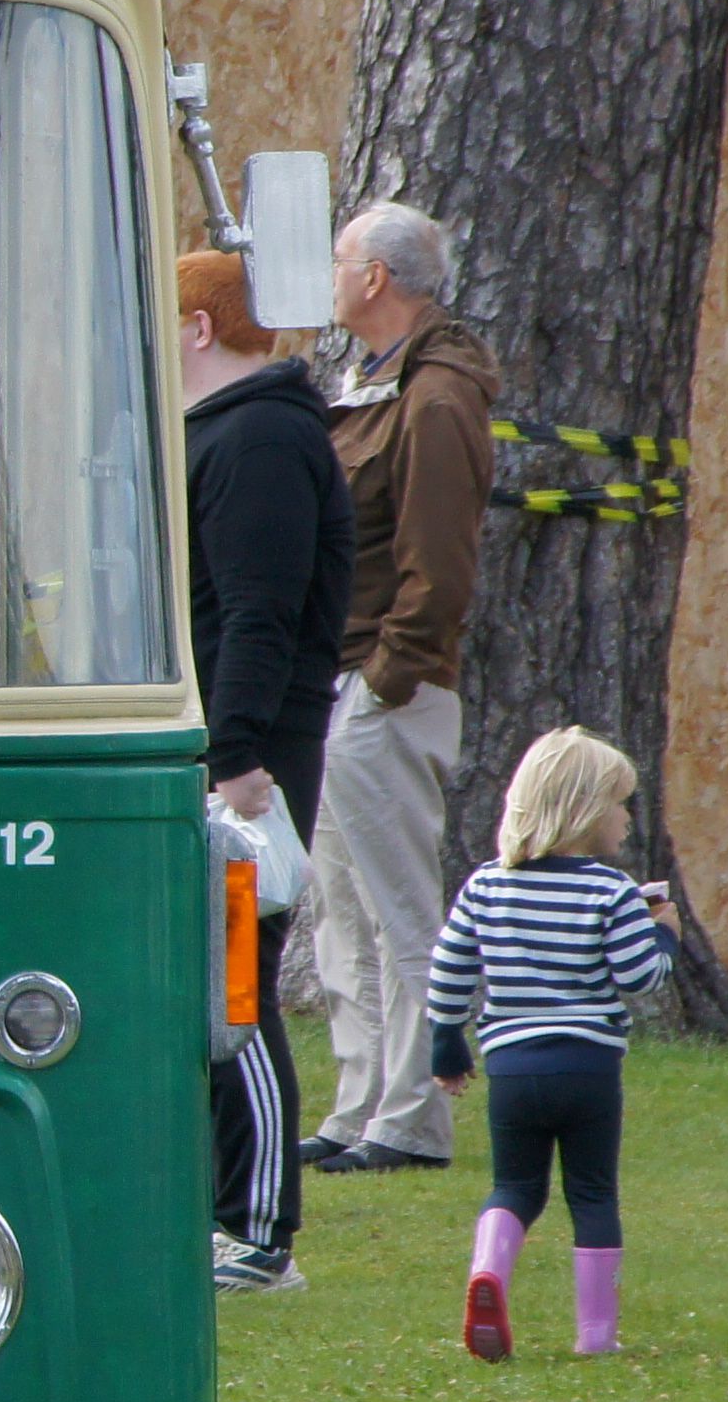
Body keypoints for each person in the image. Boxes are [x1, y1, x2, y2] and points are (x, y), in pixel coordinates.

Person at [307, 201, 501, 1176]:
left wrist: (384, 680)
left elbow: (439, 564)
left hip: (386, 688)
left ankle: (414, 1118)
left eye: (341, 258)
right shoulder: (376, 380)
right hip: (346, 680)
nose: (330, 273)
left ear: (375, 278)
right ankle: (357, 1107)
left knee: (395, 911)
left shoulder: (434, 395)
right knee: (340, 908)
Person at [179, 249, 353, 1295]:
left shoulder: (259, 438)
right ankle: (209, 1210)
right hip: (220, 748)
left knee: (233, 985)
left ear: (198, 328)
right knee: (202, 982)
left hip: (251, 759)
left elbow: (258, 609)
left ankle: (256, 1231)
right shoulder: (224, 434)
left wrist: (237, 756)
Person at [427, 727, 679, 1362]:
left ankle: (488, 1272)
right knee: (591, 1194)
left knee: (515, 1186)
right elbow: (637, 978)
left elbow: (450, 969)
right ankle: (596, 1336)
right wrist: (665, 938)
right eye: (621, 803)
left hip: (511, 1070)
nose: (627, 817)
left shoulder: (486, 885)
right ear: (588, 810)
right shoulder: (611, 890)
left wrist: (447, 1042)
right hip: (588, 1070)